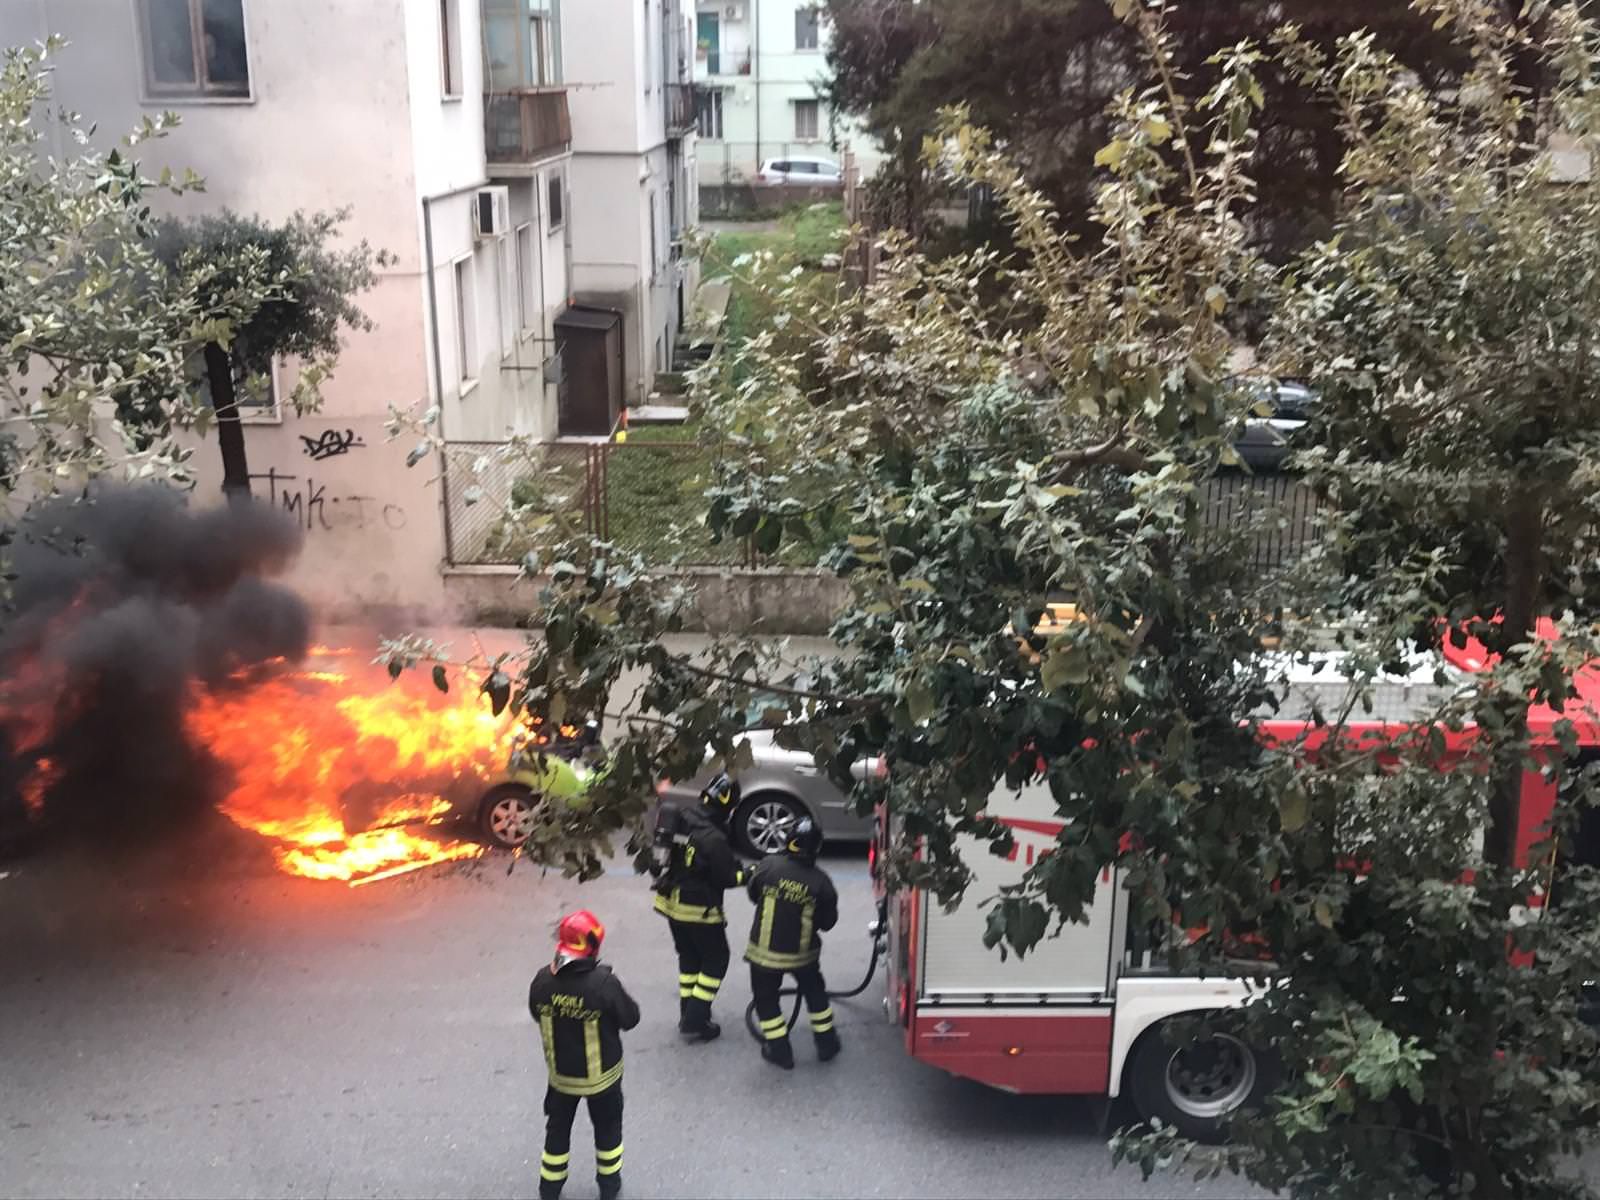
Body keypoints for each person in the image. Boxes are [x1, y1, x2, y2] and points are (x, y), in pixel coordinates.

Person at [528, 910, 640, 1200]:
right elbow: (630, 1018)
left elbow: (536, 1013)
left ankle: (549, 1189)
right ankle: (609, 1187)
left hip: (561, 1078)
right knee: (607, 1131)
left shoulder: (541, 981)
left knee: (557, 1130)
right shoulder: (603, 985)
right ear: (591, 947)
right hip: (602, 1079)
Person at [650, 773, 745, 1041]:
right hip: (698, 910)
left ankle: (687, 1010)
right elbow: (729, 878)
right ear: (727, 805)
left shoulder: (684, 818)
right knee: (716, 960)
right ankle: (696, 1019)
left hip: (669, 904)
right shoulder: (714, 838)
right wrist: (751, 874)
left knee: (690, 957)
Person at [743, 816, 840, 1069]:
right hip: (803, 957)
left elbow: (754, 894)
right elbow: (828, 922)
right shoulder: (822, 882)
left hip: (763, 955)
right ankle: (827, 1044)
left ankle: (780, 1051)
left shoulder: (768, 866)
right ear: (816, 848)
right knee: (815, 994)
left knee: (766, 1000)